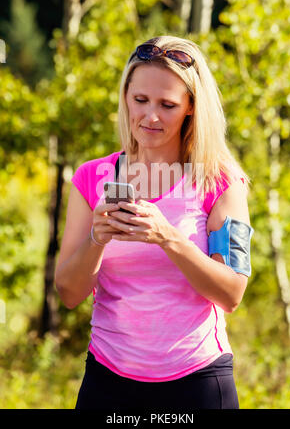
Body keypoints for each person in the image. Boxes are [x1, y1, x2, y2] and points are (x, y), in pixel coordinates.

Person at [54, 35, 254, 411]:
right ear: (126, 96)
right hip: (108, 381)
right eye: (140, 100)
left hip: (198, 382)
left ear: (192, 107)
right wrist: (96, 237)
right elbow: (68, 293)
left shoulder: (221, 181)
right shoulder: (91, 178)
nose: (150, 116)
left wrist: (168, 237)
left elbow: (231, 294)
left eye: (168, 105)